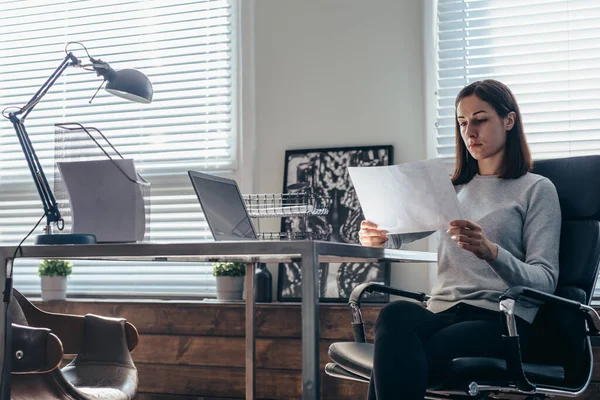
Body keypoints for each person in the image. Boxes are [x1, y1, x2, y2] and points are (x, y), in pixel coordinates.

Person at [359, 79, 561, 400]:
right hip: (443, 313)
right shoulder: (453, 189)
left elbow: (545, 281)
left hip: (501, 319)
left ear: (508, 121)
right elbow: (394, 234)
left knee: (411, 353)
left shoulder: (536, 189)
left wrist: (491, 252)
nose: (470, 132)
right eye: (463, 123)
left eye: (480, 120)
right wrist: (376, 236)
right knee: (394, 316)